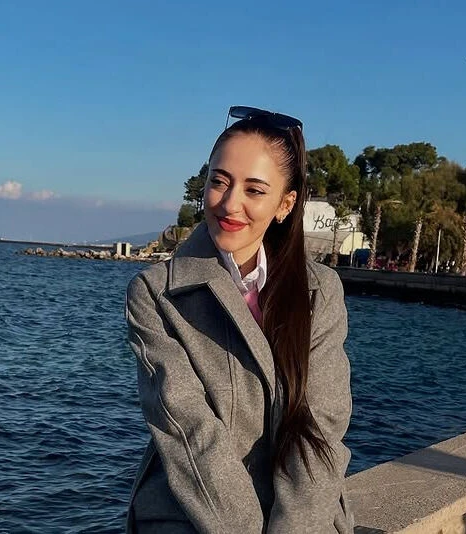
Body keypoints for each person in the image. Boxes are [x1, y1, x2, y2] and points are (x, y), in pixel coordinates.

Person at [125, 106, 354, 533]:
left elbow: (320, 427)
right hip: (189, 515)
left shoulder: (320, 292)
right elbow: (188, 432)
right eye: (219, 182)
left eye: (254, 190)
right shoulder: (157, 293)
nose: (230, 204)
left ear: (285, 204)